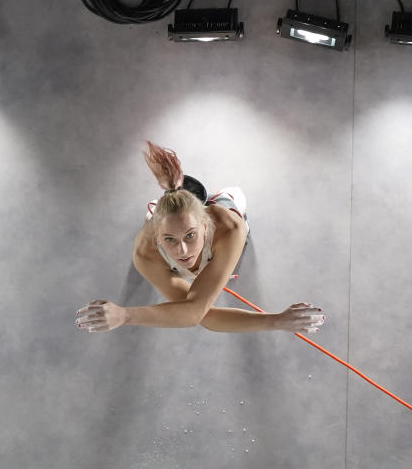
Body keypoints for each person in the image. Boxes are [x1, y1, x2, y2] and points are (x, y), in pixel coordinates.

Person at [75, 142, 326, 335]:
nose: (183, 250)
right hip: (166, 218)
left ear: (207, 226)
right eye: (170, 240)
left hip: (222, 209)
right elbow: (198, 315)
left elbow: (195, 312)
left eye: (191, 236)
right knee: (162, 214)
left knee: (228, 200)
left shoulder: (229, 229)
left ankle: (191, 194)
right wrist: (275, 321)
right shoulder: (146, 252)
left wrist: (126, 315)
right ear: (157, 236)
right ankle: (171, 196)